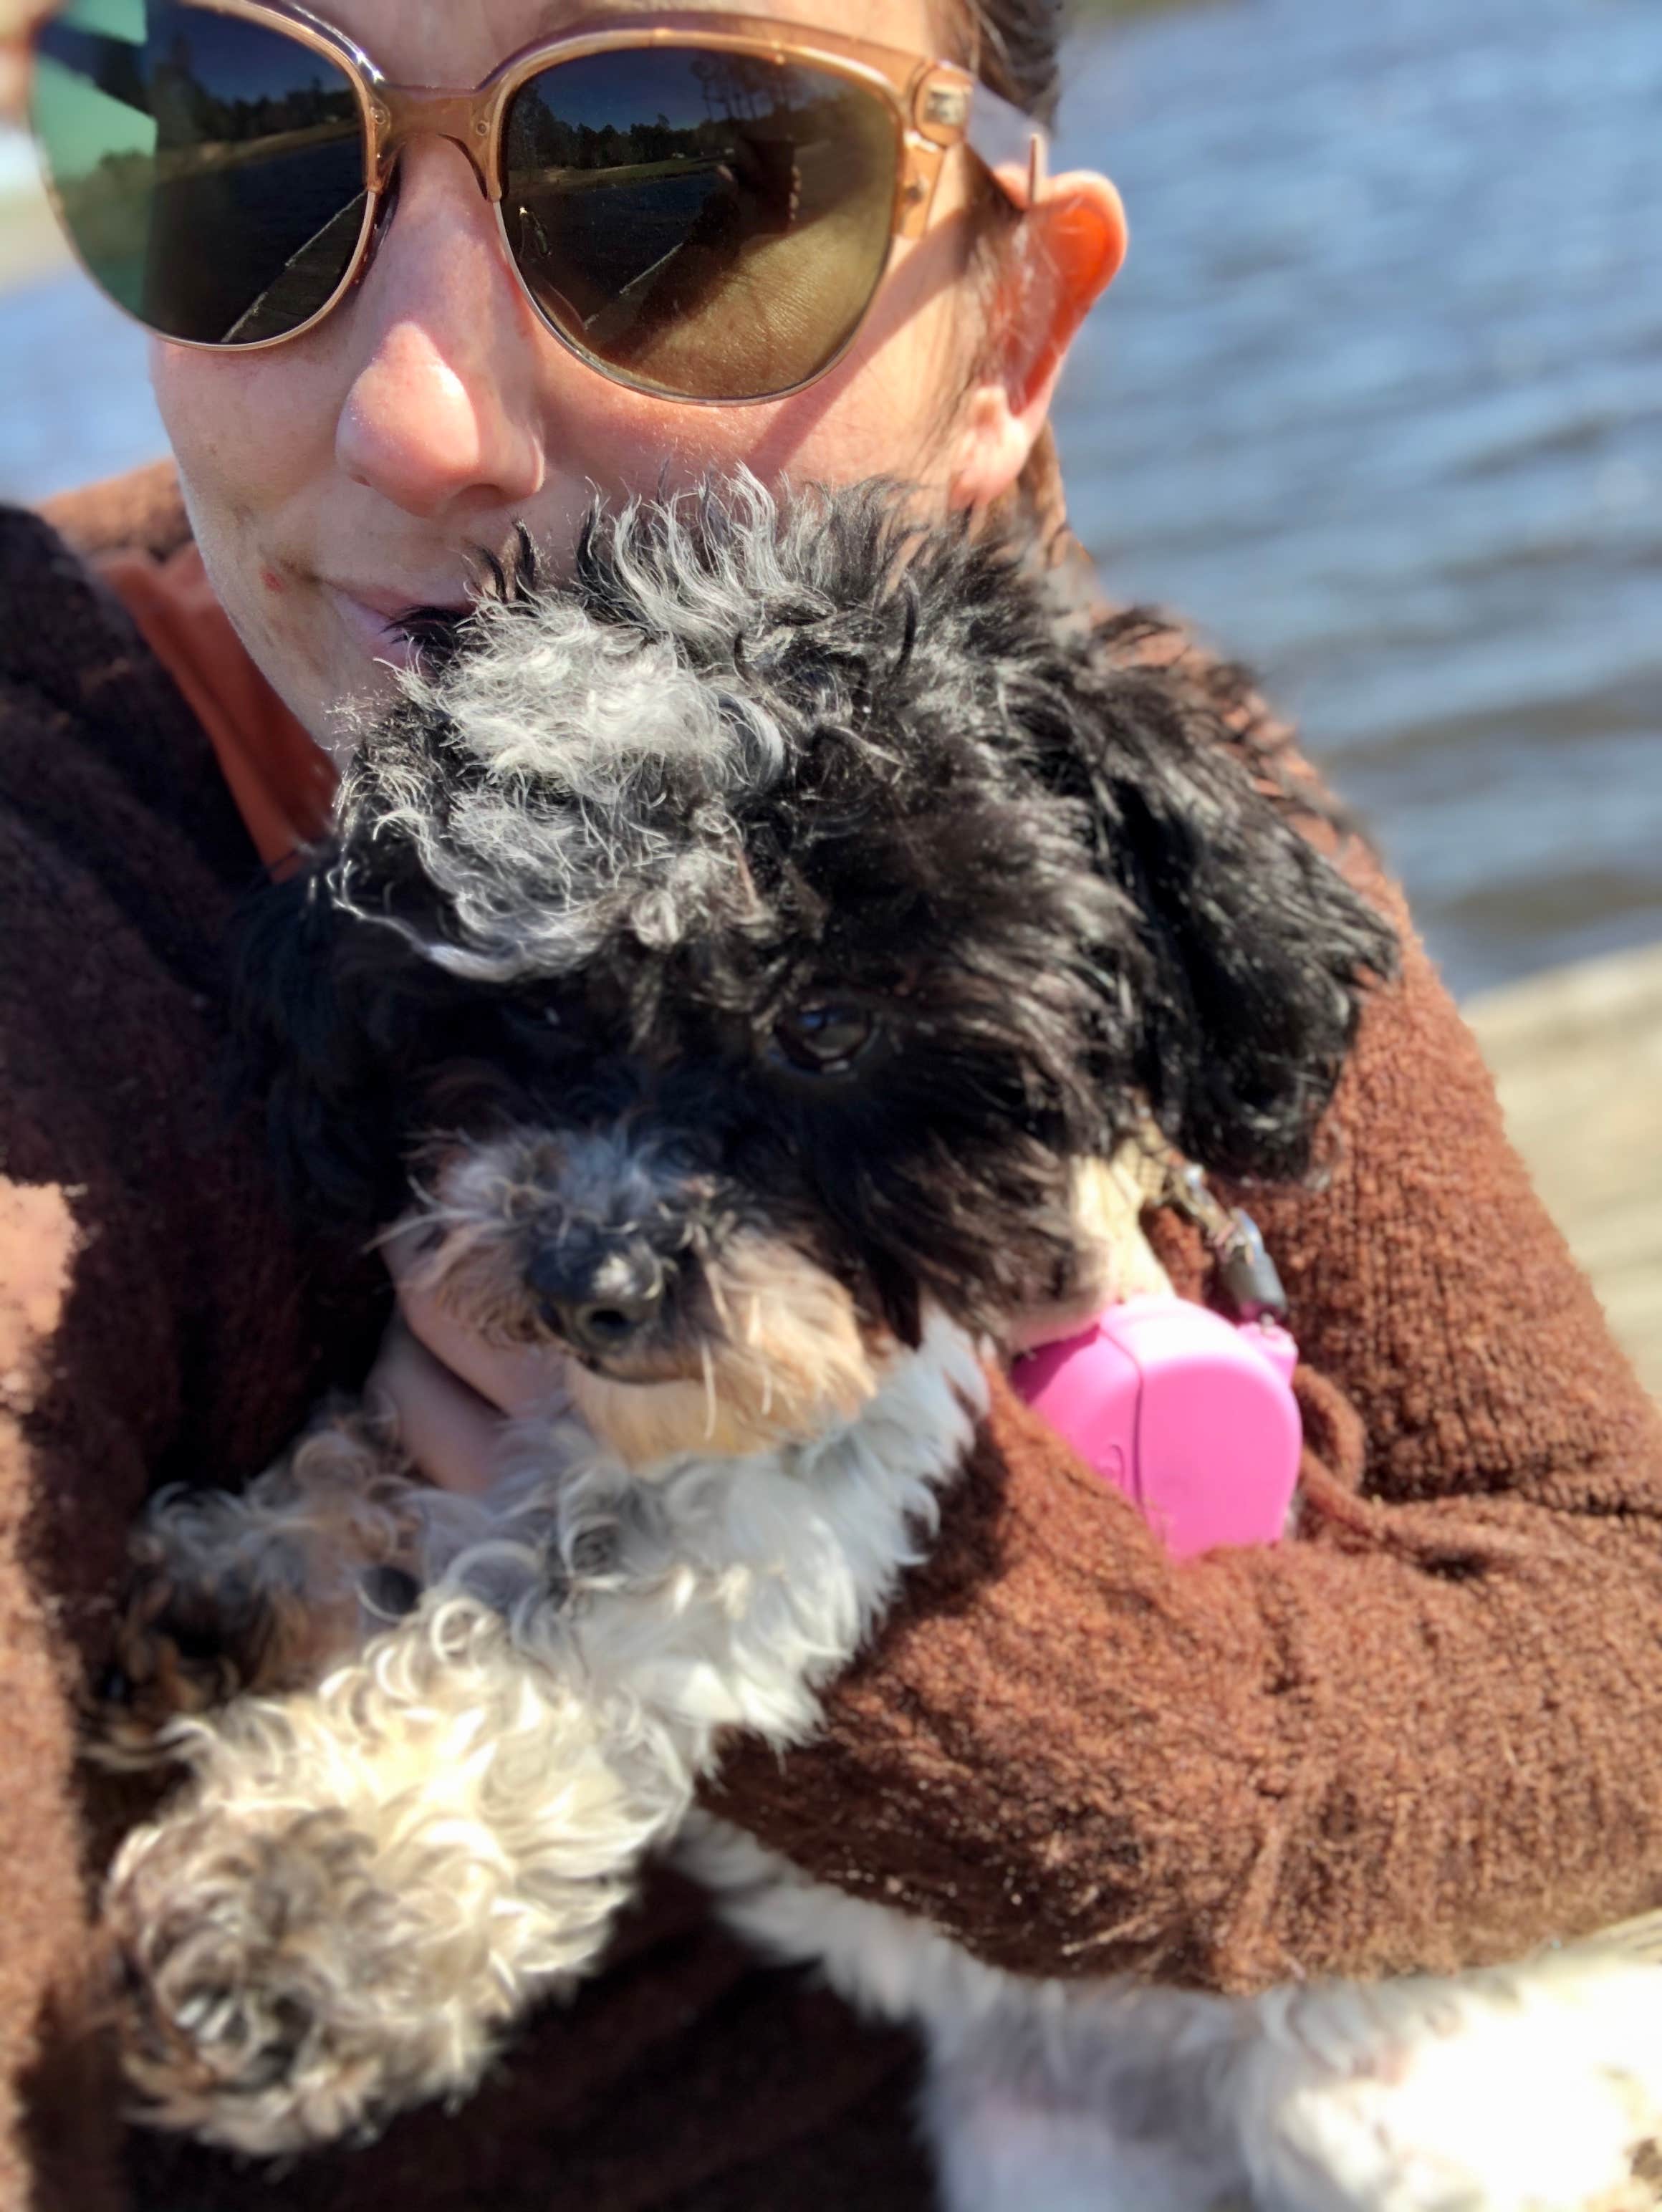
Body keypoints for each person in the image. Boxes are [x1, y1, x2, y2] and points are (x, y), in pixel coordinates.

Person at [4, 4, 1662, 2208]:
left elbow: (1615, 1649)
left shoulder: (1111, 813)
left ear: (1009, 335)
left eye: (676, 180)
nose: (421, 419)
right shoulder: (55, 931)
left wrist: (878, 1599)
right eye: (241, 159)